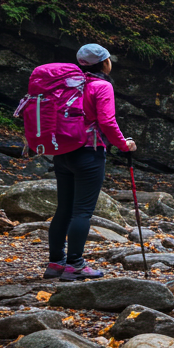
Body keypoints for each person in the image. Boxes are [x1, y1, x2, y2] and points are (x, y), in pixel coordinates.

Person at [44, 43, 137, 281]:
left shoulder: (66, 83)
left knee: (63, 209)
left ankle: (55, 263)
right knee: (82, 212)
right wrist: (123, 144)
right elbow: (107, 121)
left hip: (62, 152)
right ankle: (75, 264)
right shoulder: (101, 86)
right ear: (104, 63)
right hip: (88, 153)